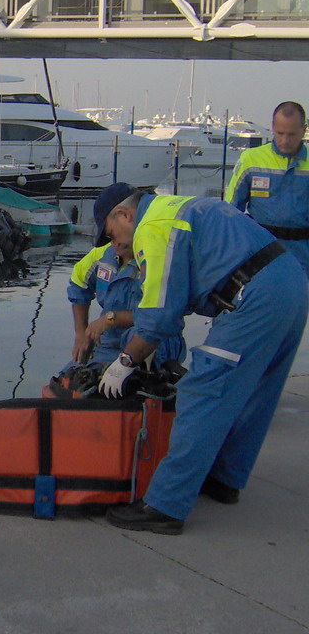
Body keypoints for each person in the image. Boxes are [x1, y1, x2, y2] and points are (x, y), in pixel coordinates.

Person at [92, 182, 308, 534]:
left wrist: (123, 363)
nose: (114, 243)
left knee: (202, 391)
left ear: (124, 215)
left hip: (254, 294)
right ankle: (225, 479)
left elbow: (159, 319)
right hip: (291, 280)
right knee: (257, 391)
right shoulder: (179, 208)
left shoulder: (153, 227)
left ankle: (165, 505)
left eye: (111, 233)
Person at [67, 239, 185, 369]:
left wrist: (111, 319)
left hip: (157, 339)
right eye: (110, 235)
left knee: (137, 346)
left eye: (117, 235)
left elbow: (158, 316)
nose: (114, 242)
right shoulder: (102, 254)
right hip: (109, 340)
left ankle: (142, 370)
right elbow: (78, 285)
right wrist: (81, 333)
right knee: (71, 374)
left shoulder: (157, 258)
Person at [225, 101, 309, 277]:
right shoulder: (251, 160)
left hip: (302, 258)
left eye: (292, 134)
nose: (285, 141)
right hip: (259, 256)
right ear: (272, 127)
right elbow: (231, 211)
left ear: (304, 130)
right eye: (280, 133)